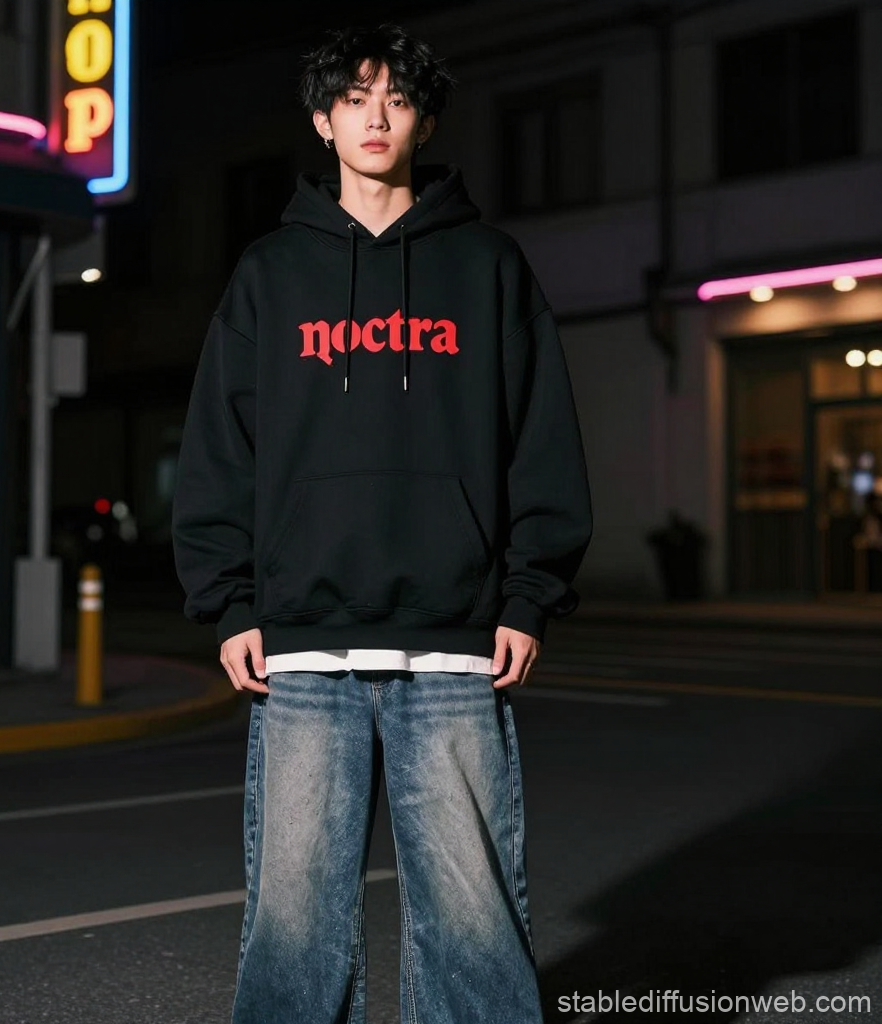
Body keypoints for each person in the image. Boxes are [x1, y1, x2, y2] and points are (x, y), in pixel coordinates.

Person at [172, 21, 592, 1024]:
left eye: (396, 98)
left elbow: (538, 435)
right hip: (302, 647)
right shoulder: (271, 274)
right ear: (322, 121)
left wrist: (529, 594)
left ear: (424, 118)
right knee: (294, 919)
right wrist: (229, 603)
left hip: (453, 643)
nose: (374, 115)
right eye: (353, 98)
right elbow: (219, 449)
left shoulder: (486, 266)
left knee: (472, 917)